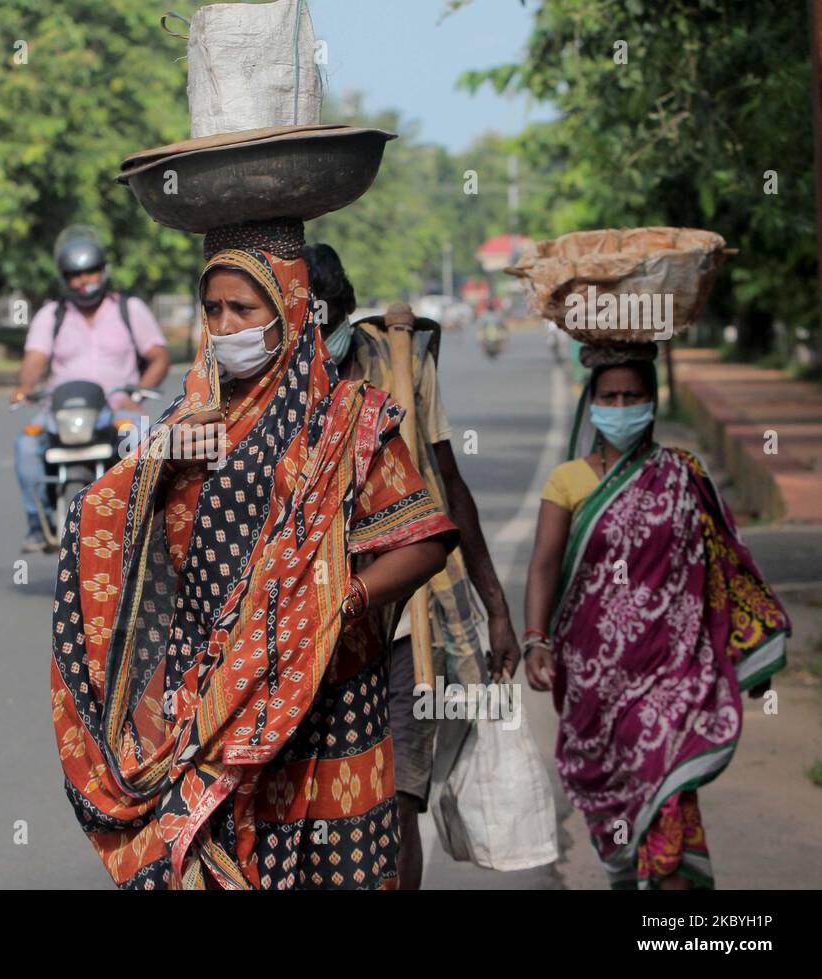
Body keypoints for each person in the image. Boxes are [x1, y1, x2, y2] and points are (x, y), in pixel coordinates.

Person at [50, 224, 460, 889]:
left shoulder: (350, 418)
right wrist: (158, 463)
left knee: (337, 867)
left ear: (291, 310)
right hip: (210, 696)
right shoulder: (190, 420)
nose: (224, 324)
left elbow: (428, 538)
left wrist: (339, 600)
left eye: (243, 309)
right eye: (213, 309)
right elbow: (105, 519)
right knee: (202, 859)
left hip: (329, 695)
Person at [523, 345, 788, 889]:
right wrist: (535, 639)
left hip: (673, 673)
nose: (621, 406)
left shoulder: (682, 475)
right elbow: (545, 565)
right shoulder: (568, 481)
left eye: (633, 396)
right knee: (619, 807)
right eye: (609, 396)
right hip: (593, 680)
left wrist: (748, 655)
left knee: (665, 784)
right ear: (591, 404)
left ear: (652, 401)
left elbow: (727, 565)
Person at [303, 241, 521, 889]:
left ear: (345, 311)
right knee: (315, 808)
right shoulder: (268, 380)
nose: (318, 340)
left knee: (398, 800)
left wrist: (497, 609)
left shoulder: (402, 362)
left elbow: (449, 484)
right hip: (304, 629)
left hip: (404, 625)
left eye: (327, 322)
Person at [11, 227, 171, 551]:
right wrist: (25, 387)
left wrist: (139, 390)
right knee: (26, 445)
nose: (85, 280)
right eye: (75, 275)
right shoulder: (50, 316)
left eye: (91, 271)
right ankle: (37, 525)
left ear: (103, 271)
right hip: (62, 411)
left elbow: (158, 356)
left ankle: (144, 521)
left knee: (143, 439)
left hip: (117, 409)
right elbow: (35, 360)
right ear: (64, 278)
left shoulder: (130, 309)